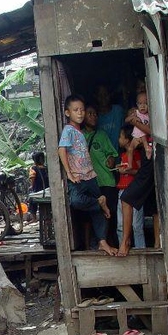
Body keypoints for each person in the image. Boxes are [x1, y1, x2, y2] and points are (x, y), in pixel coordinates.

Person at [57, 94, 116, 256]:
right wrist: (69, 173)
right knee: (76, 201)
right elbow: (61, 149)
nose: (80, 113)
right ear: (67, 113)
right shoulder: (68, 130)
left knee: (99, 213)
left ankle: (102, 242)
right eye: (76, 110)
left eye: (82, 110)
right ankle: (99, 202)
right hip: (78, 177)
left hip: (91, 176)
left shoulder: (80, 132)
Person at [84, 104, 120, 248]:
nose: (94, 116)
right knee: (90, 216)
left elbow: (112, 154)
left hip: (106, 181)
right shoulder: (79, 136)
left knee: (109, 214)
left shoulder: (102, 135)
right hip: (90, 183)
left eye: (95, 114)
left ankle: (110, 243)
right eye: (90, 113)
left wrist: (111, 159)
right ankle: (89, 247)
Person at [118, 138, 154, 257]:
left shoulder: (140, 149)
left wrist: (135, 122)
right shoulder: (132, 149)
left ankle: (127, 242)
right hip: (150, 157)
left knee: (126, 199)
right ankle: (127, 241)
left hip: (150, 160)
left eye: (121, 136)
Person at [116, 126, 145, 249]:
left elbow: (140, 171)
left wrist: (128, 171)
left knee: (137, 225)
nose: (118, 139)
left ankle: (140, 249)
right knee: (120, 224)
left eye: (120, 136)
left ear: (127, 140)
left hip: (135, 191)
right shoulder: (122, 155)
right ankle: (123, 246)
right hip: (122, 190)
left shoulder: (137, 154)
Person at [94, 84, 124, 153]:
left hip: (120, 155)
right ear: (96, 97)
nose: (103, 98)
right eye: (100, 95)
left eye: (105, 94)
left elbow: (125, 130)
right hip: (102, 159)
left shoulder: (118, 111)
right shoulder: (94, 117)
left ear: (110, 95)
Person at [26, 151, 49, 224]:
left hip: (38, 191)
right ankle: (48, 217)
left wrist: (31, 186)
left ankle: (34, 218)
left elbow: (32, 179)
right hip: (47, 191)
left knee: (31, 200)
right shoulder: (46, 168)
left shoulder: (33, 168)